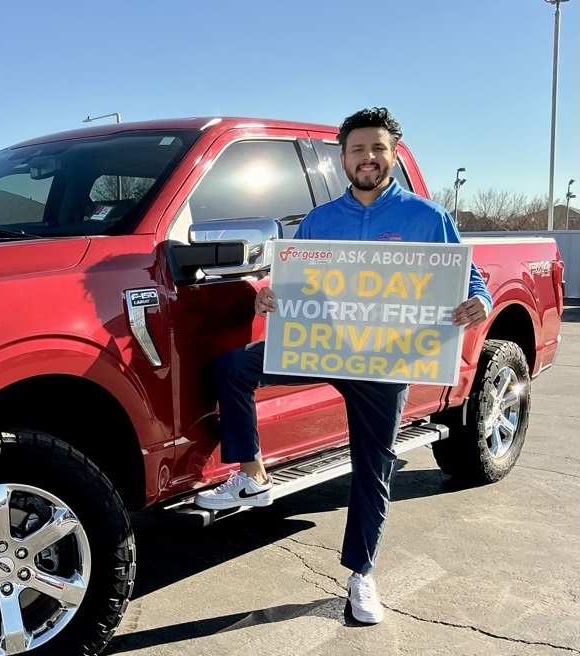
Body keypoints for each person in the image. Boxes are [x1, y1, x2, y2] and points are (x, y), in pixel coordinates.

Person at [195, 107, 492, 625]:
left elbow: (469, 279)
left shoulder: (427, 218)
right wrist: (270, 298)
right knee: (233, 368)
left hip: (385, 362)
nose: (368, 158)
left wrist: (480, 302)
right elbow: (294, 284)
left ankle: (361, 575)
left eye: (377, 149)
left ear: (393, 155)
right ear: (344, 158)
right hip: (321, 347)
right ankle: (252, 475)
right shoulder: (321, 219)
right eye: (357, 149)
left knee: (372, 471)